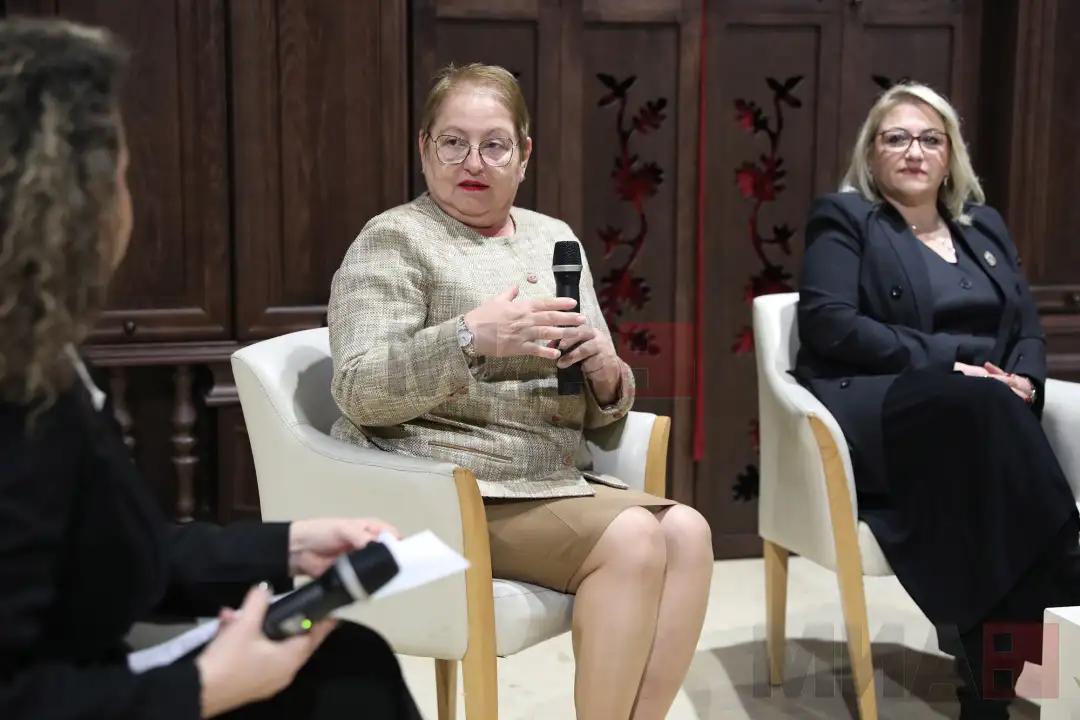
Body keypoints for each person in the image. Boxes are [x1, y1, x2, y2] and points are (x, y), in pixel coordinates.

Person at [0, 17, 422, 720]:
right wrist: (204, 688)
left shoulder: (44, 357)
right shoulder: (21, 406)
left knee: (348, 662)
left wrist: (288, 547)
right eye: (125, 178)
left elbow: (118, 556)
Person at [327, 62, 713, 719]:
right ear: (424, 148)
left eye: (495, 145)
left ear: (525, 155)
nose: (473, 162)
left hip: (549, 475)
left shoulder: (551, 237)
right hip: (447, 485)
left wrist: (604, 371)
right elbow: (360, 387)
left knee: (689, 532)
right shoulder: (394, 240)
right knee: (634, 539)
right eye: (453, 142)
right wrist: (469, 337)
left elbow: (606, 404)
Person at [794, 81, 1080, 719]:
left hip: (985, 415)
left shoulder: (985, 226)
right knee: (983, 413)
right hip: (890, 398)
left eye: (930, 138)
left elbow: (1028, 330)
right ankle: (1067, 553)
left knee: (992, 505)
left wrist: (1024, 381)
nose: (914, 151)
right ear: (871, 154)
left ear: (951, 156)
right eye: (896, 138)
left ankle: (987, 691)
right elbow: (830, 324)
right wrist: (956, 362)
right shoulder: (845, 219)